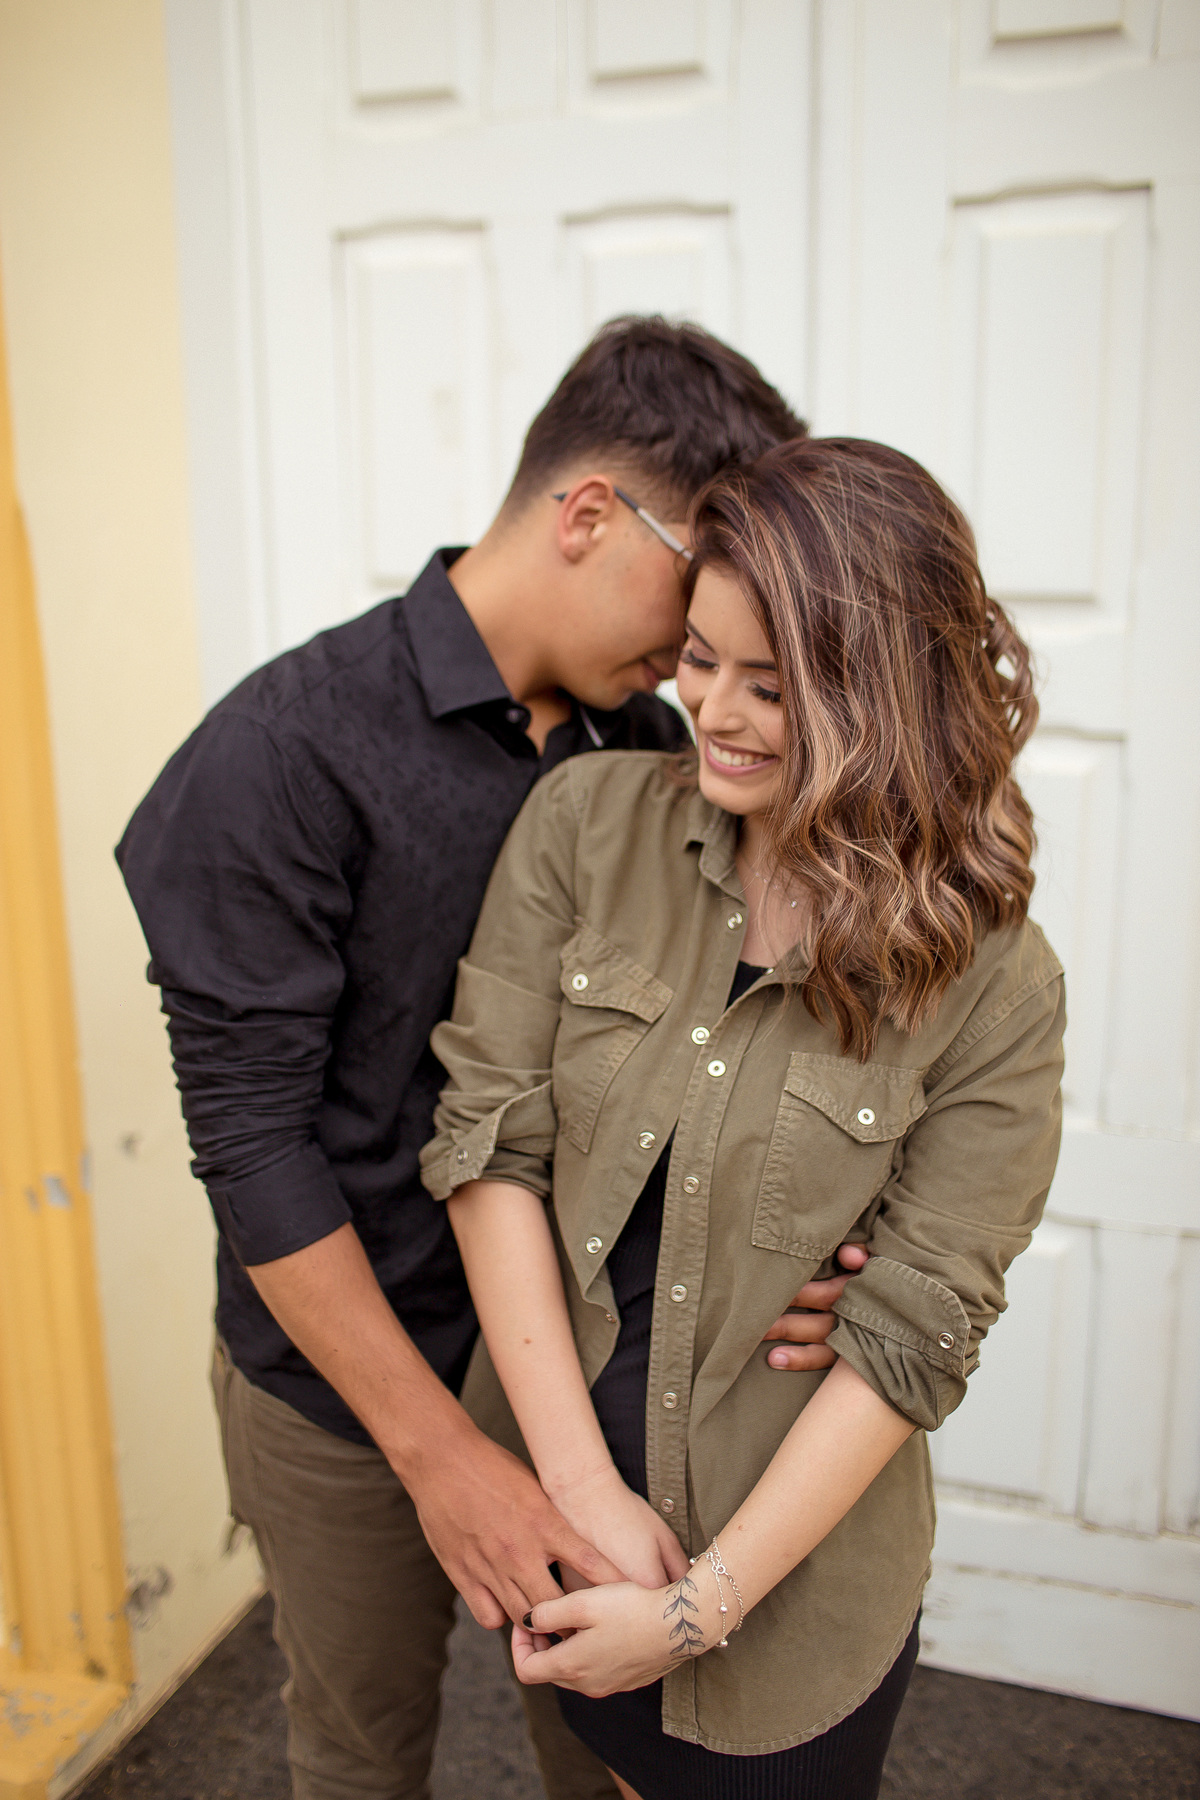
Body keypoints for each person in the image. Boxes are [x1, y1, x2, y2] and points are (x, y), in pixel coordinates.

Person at [116, 318, 867, 1800]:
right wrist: (438, 1458)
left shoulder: (653, 749)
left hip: (591, 1375)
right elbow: (254, 1149)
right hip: (342, 1389)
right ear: (589, 513)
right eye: (695, 567)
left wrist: (829, 1252)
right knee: (360, 1751)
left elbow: (728, 1045)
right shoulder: (280, 754)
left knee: (600, 1755)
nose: (714, 628)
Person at [422, 435, 1066, 1800]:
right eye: (699, 658)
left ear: (883, 700)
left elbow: (912, 1329)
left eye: (769, 686)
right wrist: (586, 1499)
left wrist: (695, 1609)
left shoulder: (997, 981)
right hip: (566, 1501)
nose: (711, 708)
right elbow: (491, 1143)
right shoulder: (586, 827)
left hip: (790, 1599)